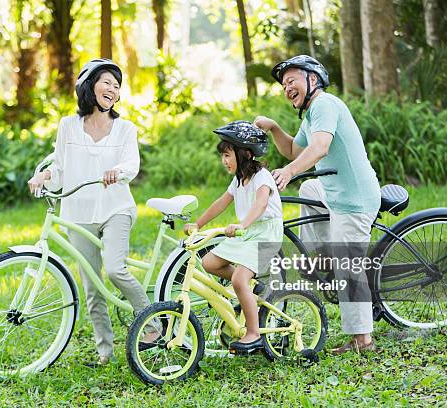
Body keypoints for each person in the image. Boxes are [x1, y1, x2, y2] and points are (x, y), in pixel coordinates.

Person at [27, 58, 156, 366]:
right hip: (78, 211)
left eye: (116, 85)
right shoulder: (68, 126)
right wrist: (43, 176)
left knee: (114, 269)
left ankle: (152, 327)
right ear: (89, 85)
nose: (112, 89)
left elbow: (131, 165)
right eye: (106, 82)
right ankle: (105, 352)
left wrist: (117, 171)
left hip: (116, 209)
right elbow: (59, 168)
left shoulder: (125, 128)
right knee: (92, 285)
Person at [254, 55, 381, 354]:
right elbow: (294, 150)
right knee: (311, 187)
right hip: (336, 193)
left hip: (354, 200)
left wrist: (288, 172)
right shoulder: (312, 115)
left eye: (291, 80)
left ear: (313, 79)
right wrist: (274, 128)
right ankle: (320, 259)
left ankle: (363, 340)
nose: (287, 88)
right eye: (284, 85)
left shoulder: (325, 104)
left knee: (348, 265)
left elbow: (320, 148)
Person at [184, 121, 283, 354]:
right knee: (210, 262)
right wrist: (198, 224)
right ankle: (254, 287)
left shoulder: (262, 177)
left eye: (228, 155)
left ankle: (254, 333)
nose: (224, 161)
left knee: (238, 279)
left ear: (246, 154)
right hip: (246, 232)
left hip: (264, 233)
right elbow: (221, 202)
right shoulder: (238, 179)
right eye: (223, 156)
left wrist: (242, 224)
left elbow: (260, 204)